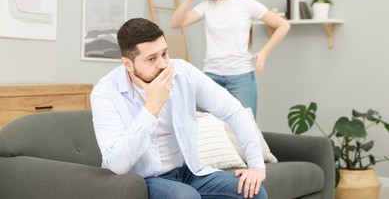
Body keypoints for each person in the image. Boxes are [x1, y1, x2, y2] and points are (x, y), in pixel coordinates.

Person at [91, 17, 268, 199]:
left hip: (188, 172)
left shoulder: (183, 73)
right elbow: (116, 164)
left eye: (165, 54)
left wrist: (256, 165)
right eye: (151, 59)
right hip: (143, 179)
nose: (163, 64)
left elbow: (233, 110)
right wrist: (152, 106)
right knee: (185, 197)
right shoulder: (105, 93)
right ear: (128, 64)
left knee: (254, 192)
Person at [171, 0, 290, 118]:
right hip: (211, 77)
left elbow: (283, 25)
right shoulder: (207, 6)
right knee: (211, 131)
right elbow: (176, 23)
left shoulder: (246, 4)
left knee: (246, 128)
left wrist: (264, 52)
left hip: (241, 76)